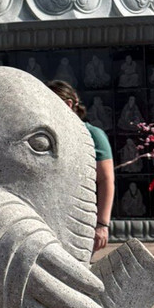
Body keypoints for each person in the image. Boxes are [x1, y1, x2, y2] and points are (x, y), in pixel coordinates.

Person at [48, 81, 114, 252]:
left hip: (80, 220)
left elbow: (106, 180)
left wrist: (101, 224)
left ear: (68, 104)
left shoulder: (93, 135)